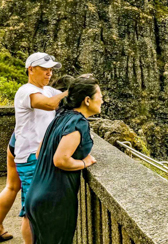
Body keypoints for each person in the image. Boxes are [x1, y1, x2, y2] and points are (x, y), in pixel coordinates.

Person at [26, 77, 101, 244]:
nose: (102, 99)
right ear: (87, 100)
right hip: (54, 201)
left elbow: (39, 153)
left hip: (36, 195)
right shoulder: (78, 123)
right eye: (100, 95)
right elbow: (60, 160)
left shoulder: (60, 116)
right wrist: (84, 163)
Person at [0, 74, 74, 241]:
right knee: (31, 206)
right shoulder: (52, 105)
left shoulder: (43, 93)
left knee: (11, 187)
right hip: (29, 152)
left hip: (15, 144)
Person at [13, 53, 67, 244]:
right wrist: (71, 91)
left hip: (41, 157)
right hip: (30, 159)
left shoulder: (47, 90)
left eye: (51, 69)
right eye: (45, 69)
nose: (49, 73)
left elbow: (59, 99)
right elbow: (48, 104)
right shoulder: (26, 91)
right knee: (32, 210)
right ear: (31, 69)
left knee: (42, 207)